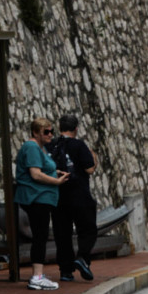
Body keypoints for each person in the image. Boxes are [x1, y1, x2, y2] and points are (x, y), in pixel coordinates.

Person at [14, 118, 69, 291]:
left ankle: (38, 274)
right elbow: (35, 174)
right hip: (36, 197)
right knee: (40, 235)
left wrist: (54, 171)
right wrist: (55, 181)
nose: (50, 135)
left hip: (41, 198)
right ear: (36, 132)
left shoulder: (40, 148)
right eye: (46, 132)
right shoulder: (31, 147)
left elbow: (42, 168)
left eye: (51, 131)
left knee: (41, 235)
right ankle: (37, 276)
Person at [49, 114, 98, 282]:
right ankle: (82, 257)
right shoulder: (78, 145)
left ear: (60, 127)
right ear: (76, 128)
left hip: (58, 195)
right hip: (79, 195)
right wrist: (94, 157)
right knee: (88, 229)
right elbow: (90, 169)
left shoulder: (52, 144)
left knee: (62, 233)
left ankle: (65, 270)